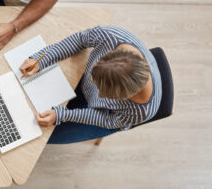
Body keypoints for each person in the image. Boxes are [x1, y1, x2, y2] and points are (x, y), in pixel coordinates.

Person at [19, 26, 162, 144]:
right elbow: (81, 39)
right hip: (86, 91)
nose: (91, 80)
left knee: (41, 137)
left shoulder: (141, 111)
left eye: (101, 89)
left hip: (105, 115)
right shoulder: (112, 36)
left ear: (122, 97)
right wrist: (42, 59)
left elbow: (109, 120)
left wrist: (63, 115)